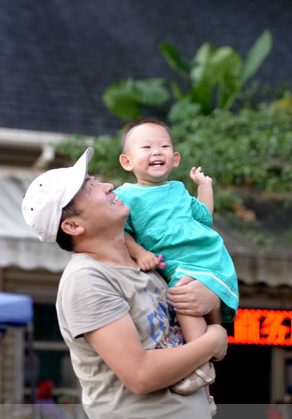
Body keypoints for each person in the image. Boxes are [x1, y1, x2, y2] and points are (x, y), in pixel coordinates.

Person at [21, 147, 228, 419]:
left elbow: (190, 332)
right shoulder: (87, 279)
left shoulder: (147, 265)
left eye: (95, 180)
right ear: (72, 226)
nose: (108, 185)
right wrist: (216, 338)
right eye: (89, 187)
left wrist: (209, 302)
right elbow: (140, 374)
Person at [117, 117, 239, 399]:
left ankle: (201, 366)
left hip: (206, 253)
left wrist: (204, 186)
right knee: (189, 303)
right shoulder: (125, 196)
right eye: (146, 146)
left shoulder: (178, 189)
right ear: (127, 162)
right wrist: (140, 252)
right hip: (178, 263)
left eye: (163, 146)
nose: (156, 151)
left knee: (185, 298)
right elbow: (123, 233)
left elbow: (204, 218)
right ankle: (206, 388)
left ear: (174, 159)